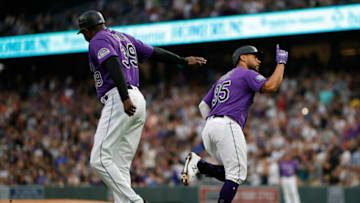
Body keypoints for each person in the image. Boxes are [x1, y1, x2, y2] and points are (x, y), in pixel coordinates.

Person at [77, 10, 206, 203]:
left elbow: (113, 63)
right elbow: (154, 52)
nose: (85, 36)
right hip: (138, 98)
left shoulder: (98, 39)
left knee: (99, 159)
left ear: (88, 30)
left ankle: (135, 201)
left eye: (84, 32)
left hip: (121, 97)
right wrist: (181, 60)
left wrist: (123, 97)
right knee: (120, 164)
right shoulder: (123, 38)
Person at [181, 44, 288, 203]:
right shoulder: (246, 73)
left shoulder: (222, 78)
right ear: (242, 57)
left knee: (228, 173)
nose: (258, 60)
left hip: (210, 127)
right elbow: (271, 86)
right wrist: (281, 63)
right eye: (255, 56)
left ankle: (198, 164)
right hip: (227, 124)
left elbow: (202, 106)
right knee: (236, 175)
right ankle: (199, 165)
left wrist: (213, 123)